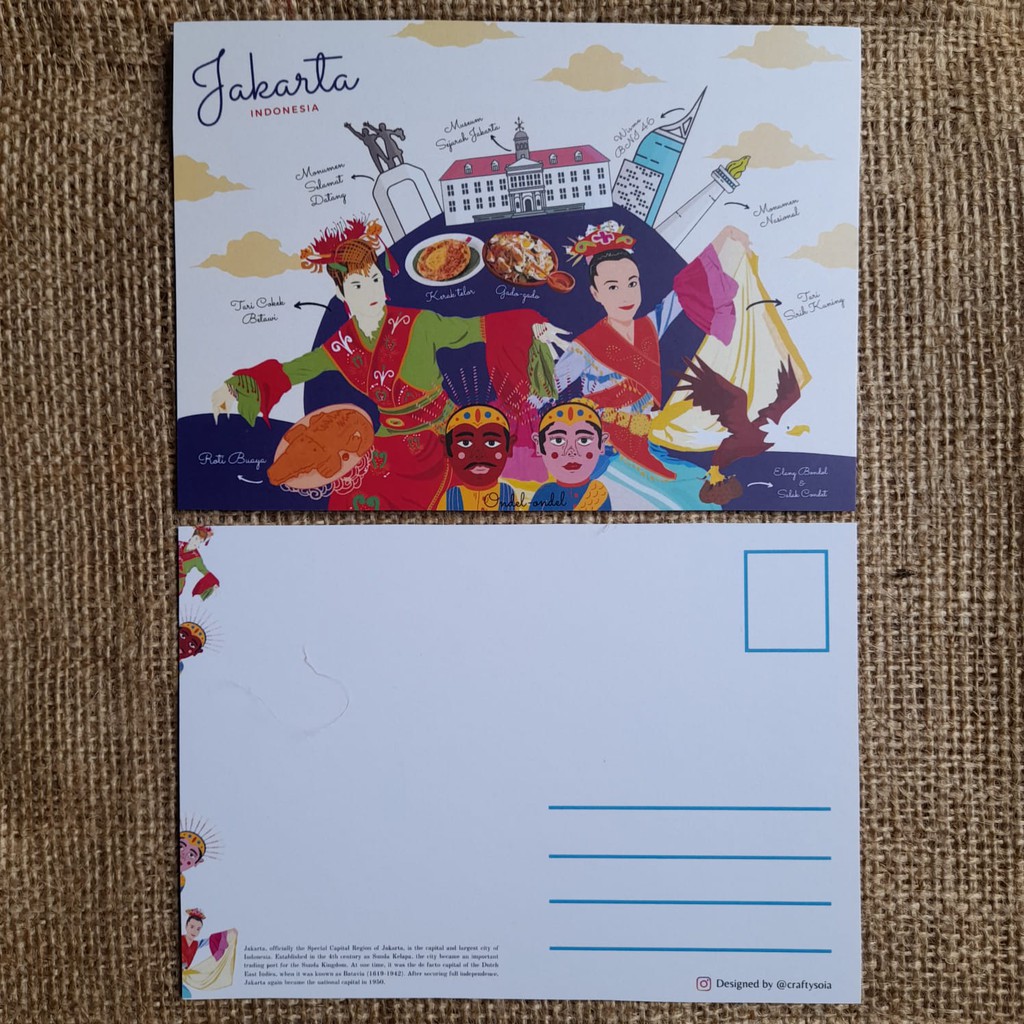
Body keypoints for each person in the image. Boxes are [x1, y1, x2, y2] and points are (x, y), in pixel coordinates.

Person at [211, 218, 563, 510]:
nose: (371, 292)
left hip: (441, 437)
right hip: (386, 442)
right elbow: (293, 370)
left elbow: (478, 328)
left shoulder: (419, 323)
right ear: (341, 293)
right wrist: (236, 388)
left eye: (375, 280)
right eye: (358, 285)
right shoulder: (341, 345)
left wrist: (531, 326)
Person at [555, 221, 745, 480]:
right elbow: (545, 391)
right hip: (602, 444)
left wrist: (723, 238)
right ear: (595, 293)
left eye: (632, 283)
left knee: (696, 476)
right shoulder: (584, 347)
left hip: (648, 437)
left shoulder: (650, 326)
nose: (626, 295)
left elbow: (687, 286)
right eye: (613, 287)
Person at [529, 399, 611, 511]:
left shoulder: (599, 493)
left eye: (583, 440)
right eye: (558, 441)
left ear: (601, 444)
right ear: (539, 445)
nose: (571, 451)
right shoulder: (545, 493)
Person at [439, 405, 517, 511]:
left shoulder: (508, 495)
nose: (478, 454)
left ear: (509, 447)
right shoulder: (450, 498)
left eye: (491, 443)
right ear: (446, 448)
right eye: (465, 443)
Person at [181, 908, 238, 998]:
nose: (194, 931)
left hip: (185, 974)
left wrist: (228, 933)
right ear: (186, 926)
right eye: (192, 927)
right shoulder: (180, 940)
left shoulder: (196, 944)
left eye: (198, 929)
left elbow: (210, 940)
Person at [178, 526, 219, 600]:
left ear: (203, 541)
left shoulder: (197, 558)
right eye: (198, 532)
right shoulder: (179, 544)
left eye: (203, 536)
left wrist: (215, 582)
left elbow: (204, 571)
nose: (198, 537)